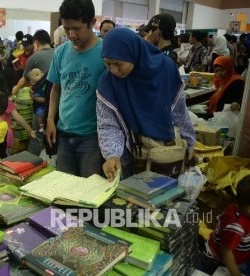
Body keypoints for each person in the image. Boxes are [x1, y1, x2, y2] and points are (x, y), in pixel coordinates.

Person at [97, 28, 195, 181]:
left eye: (118, 64)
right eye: (108, 64)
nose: (113, 70)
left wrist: (189, 141)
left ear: (133, 54)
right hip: (132, 154)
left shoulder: (165, 69)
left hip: (165, 151)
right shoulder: (108, 82)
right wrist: (112, 155)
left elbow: (179, 110)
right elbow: (108, 124)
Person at [45, 0, 105, 177]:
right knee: (64, 189)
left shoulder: (105, 53)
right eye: (67, 28)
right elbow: (56, 88)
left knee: (88, 192)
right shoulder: (61, 52)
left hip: (92, 137)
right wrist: (50, 120)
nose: (71, 34)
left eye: (77, 29)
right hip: (63, 134)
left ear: (92, 23)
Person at [199, 175, 250, 276]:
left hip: (240, 254)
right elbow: (226, 253)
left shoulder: (242, 208)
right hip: (219, 261)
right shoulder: (236, 226)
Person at [0, 70, 35, 156]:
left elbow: (17, 117)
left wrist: (30, 130)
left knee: (3, 157)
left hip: (5, 138)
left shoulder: (5, 102)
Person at [25, 68, 47, 133]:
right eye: (37, 74)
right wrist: (35, 97)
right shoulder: (35, 88)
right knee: (40, 114)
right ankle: (41, 126)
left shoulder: (45, 82)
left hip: (48, 106)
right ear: (32, 82)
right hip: (41, 107)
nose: (41, 74)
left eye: (41, 72)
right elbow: (40, 99)